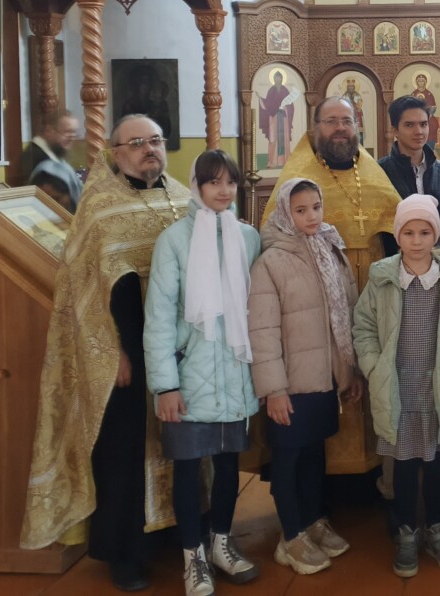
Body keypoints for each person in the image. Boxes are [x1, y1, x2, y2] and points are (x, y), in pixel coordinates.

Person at [22, 115, 190, 592]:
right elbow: (82, 291)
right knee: (124, 450)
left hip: (179, 348)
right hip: (126, 350)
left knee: (181, 442)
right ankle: (125, 553)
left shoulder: (183, 199)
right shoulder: (99, 210)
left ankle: (176, 535)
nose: (149, 149)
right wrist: (110, 352)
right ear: (115, 153)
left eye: (155, 140)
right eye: (136, 143)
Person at [143, 150, 262, 595]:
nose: (224, 191)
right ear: (196, 185)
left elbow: (256, 308)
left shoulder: (247, 237)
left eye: (230, 182)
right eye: (214, 182)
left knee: (229, 465)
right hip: (189, 374)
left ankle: (221, 544)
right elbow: (158, 317)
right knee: (189, 469)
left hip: (235, 371)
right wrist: (165, 385)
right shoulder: (174, 240)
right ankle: (192, 557)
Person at [352, 195, 440, 578]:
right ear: (397, 236)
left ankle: (438, 527)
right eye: (408, 233)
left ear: (435, 235)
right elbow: (363, 327)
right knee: (405, 466)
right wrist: (374, 365)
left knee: (439, 462)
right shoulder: (382, 279)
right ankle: (407, 531)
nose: (416, 240)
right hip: (398, 389)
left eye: (424, 232)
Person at [248, 178, 361, 576]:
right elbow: (262, 331)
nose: (311, 216)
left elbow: (346, 311)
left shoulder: (330, 246)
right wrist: (274, 389)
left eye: (316, 207)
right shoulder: (271, 261)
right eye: (301, 210)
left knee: (314, 452)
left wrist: (349, 370)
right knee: (288, 457)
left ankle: (312, 520)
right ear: (284, 213)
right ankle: (290, 535)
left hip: (323, 377)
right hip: (290, 382)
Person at [262, 96, 400, 262]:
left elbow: (399, 227)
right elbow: (276, 236)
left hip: (375, 274)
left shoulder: (375, 175)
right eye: (331, 121)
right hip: (317, 270)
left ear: (356, 126)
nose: (340, 127)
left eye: (347, 121)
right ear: (316, 127)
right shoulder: (297, 177)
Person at [379, 95, 440, 217]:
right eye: (409, 125)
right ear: (395, 130)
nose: (419, 132)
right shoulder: (380, 173)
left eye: (423, 124)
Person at [15, 108, 83, 210]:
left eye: (74, 133)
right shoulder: (37, 159)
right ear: (49, 131)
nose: (71, 138)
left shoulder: (53, 154)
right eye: (67, 132)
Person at [259, 71, 296, 170]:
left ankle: (285, 161)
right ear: (274, 79)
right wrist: (261, 99)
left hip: (283, 118)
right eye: (276, 77)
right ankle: (273, 162)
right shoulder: (271, 90)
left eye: (279, 77)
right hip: (274, 118)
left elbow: (291, 105)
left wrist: (285, 107)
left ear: (282, 79)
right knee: (273, 138)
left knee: (284, 138)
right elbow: (268, 103)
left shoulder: (285, 90)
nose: (277, 79)